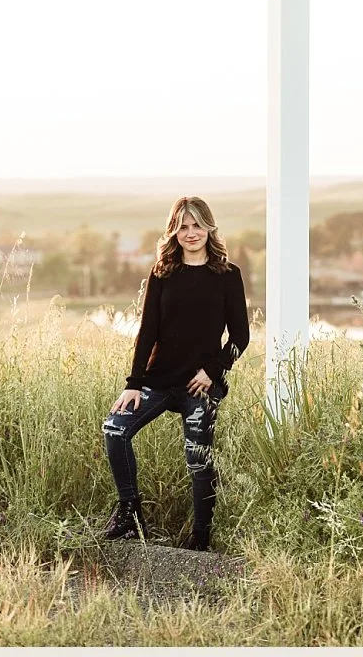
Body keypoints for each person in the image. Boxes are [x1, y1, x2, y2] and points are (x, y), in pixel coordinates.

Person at [101, 196, 251, 552]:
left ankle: (200, 536)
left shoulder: (228, 275)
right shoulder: (162, 272)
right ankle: (130, 514)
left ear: (209, 227)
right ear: (174, 231)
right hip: (158, 380)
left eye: (197, 225)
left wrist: (213, 372)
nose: (191, 232)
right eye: (183, 226)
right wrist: (133, 384)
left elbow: (240, 336)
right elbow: (147, 331)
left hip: (199, 385)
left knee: (198, 458)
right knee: (114, 428)